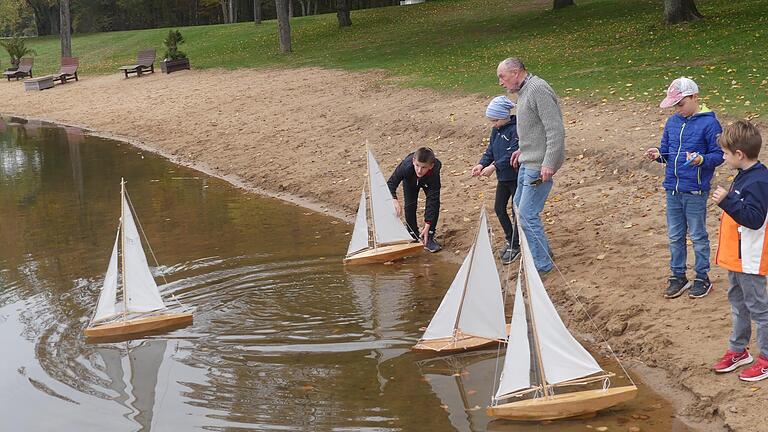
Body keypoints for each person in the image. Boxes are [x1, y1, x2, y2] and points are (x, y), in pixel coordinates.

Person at [644, 77, 723, 299]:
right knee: (675, 235)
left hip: (696, 189)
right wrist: (658, 155)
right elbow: (666, 151)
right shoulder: (672, 123)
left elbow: (718, 155)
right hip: (673, 188)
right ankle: (678, 275)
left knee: (698, 235)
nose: (678, 109)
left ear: (694, 97)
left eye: (681, 104)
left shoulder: (710, 124)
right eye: (675, 105)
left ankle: (702, 277)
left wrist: (701, 160)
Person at [710, 120, 768, 382]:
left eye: (725, 153)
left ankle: (766, 358)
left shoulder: (757, 181)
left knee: (759, 308)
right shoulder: (745, 175)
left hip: (751, 259)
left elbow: (754, 219)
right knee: (738, 303)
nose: (723, 157)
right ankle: (738, 349)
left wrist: (728, 201)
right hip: (736, 258)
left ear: (739, 154)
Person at [497, 58, 564, 274]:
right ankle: (544, 253)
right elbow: (534, 129)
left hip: (539, 166)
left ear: (516, 73)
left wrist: (549, 163)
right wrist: (522, 150)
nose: (500, 82)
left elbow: (555, 130)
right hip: (528, 160)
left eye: (502, 77)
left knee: (527, 214)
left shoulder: (538, 89)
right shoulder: (524, 92)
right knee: (518, 205)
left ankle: (542, 266)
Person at [471, 95, 520, 264]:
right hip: (503, 178)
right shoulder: (496, 130)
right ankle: (511, 239)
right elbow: (490, 150)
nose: (493, 124)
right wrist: (481, 164)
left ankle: (517, 244)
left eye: (494, 120)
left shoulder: (516, 129)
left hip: (516, 177)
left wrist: (493, 167)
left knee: (517, 212)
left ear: (503, 116)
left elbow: (511, 155)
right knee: (499, 208)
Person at [387, 147, 442, 253]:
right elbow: (391, 184)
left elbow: (432, 200)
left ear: (431, 166)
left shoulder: (434, 171)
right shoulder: (405, 166)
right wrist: (394, 199)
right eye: (417, 166)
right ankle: (413, 234)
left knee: (434, 203)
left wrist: (428, 224)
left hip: (429, 181)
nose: (419, 170)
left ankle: (429, 237)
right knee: (410, 206)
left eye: (423, 167)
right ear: (413, 161)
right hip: (410, 181)